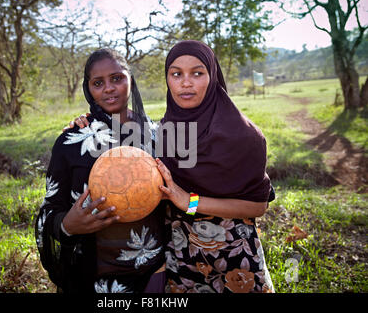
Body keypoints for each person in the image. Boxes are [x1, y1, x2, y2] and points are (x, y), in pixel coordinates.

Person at [69, 40, 275, 293]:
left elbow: (258, 205)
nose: (185, 83)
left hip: (232, 257)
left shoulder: (244, 135)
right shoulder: (162, 133)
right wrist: (84, 124)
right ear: (168, 79)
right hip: (179, 259)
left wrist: (190, 201)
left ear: (213, 76)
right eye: (176, 74)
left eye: (197, 73)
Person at [35, 48, 166, 294]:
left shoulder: (158, 136)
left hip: (156, 273)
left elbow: (184, 203)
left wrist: (193, 203)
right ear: (88, 89)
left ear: (130, 79)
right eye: (98, 83)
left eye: (117, 78)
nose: (108, 88)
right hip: (94, 278)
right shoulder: (72, 141)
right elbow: (49, 212)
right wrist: (67, 225)